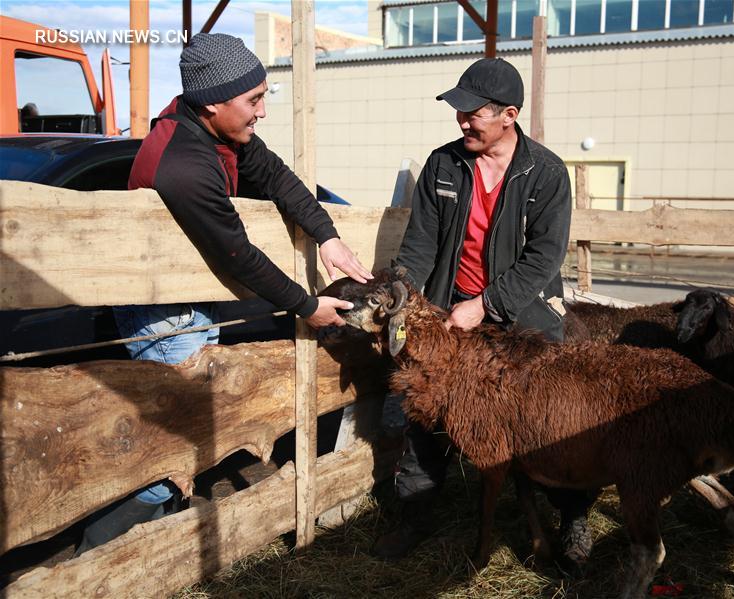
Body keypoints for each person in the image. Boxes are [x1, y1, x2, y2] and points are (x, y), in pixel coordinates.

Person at [75, 32, 371, 556]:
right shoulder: (184, 164)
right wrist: (307, 306)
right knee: (180, 441)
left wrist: (326, 235)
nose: (262, 112)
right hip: (162, 310)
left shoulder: (218, 133)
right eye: (253, 100)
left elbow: (277, 177)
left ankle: (157, 545)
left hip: (192, 296)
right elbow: (237, 253)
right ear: (214, 102)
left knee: (187, 432)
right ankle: (96, 558)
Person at [373, 58, 594, 567]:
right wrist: (403, 291)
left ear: (509, 115)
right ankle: (416, 515)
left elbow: (544, 257)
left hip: (523, 318)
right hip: (453, 314)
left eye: (473, 113)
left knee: (550, 422)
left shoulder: (546, 174)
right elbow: (421, 243)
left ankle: (573, 518)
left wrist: (488, 304)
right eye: (459, 112)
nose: (462, 121)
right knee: (427, 412)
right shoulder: (443, 165)